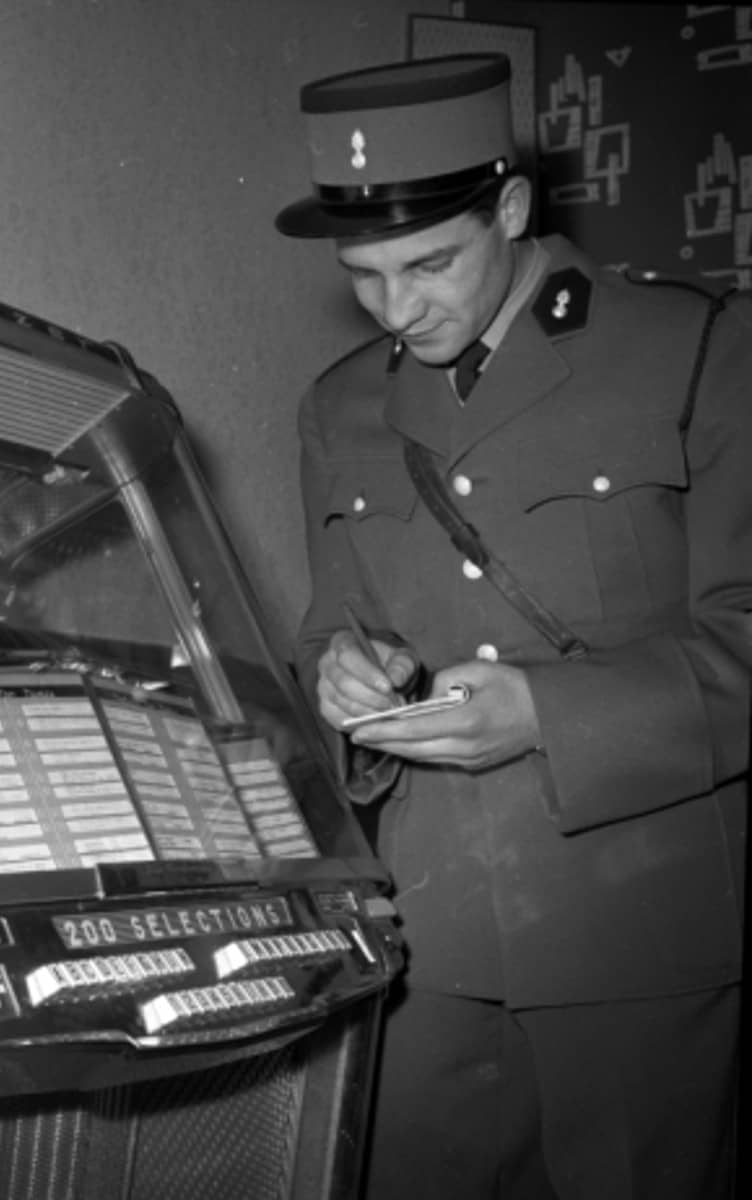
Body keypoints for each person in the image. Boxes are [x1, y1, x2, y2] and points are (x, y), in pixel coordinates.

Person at [275, 53, 749, 1199]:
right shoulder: (340, 404)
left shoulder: (696, 352)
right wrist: (346, 679)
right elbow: (325, 629)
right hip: (427, 941)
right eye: (366, 276)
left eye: (430, 263)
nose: (398, 308)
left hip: (644, 938)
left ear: (517, 209)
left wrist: (548, 711)